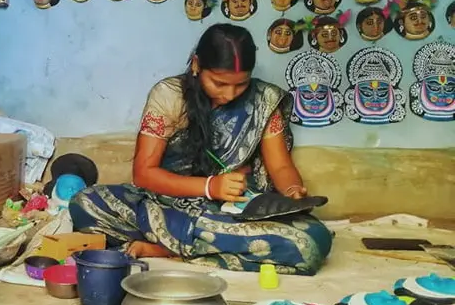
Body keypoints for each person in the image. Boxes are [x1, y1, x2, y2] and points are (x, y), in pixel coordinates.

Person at [70, 24, 333, 275]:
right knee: (86, 203)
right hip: (165, 205)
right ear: (196, 65)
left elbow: (280, 166)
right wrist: (210, 186)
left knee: (312, 240)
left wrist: (291, 192)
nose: (230, 94)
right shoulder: (169, 95)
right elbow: (143, 174)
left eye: (241, 85)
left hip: (232, 211)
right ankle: (192, 248)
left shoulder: (263, 100)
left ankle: (169, 248)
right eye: (219, 83)